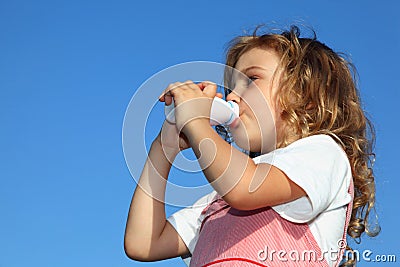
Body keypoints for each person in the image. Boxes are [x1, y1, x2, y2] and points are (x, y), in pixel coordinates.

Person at [124, 25, 379, 267]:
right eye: (232, 86)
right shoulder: (218, 202)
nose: (233, 95)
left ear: (306, 95)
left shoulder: (323, 153)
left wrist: (195, 121)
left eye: (251, 79)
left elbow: (245, 188)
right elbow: (144, 243)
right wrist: (164, 147)